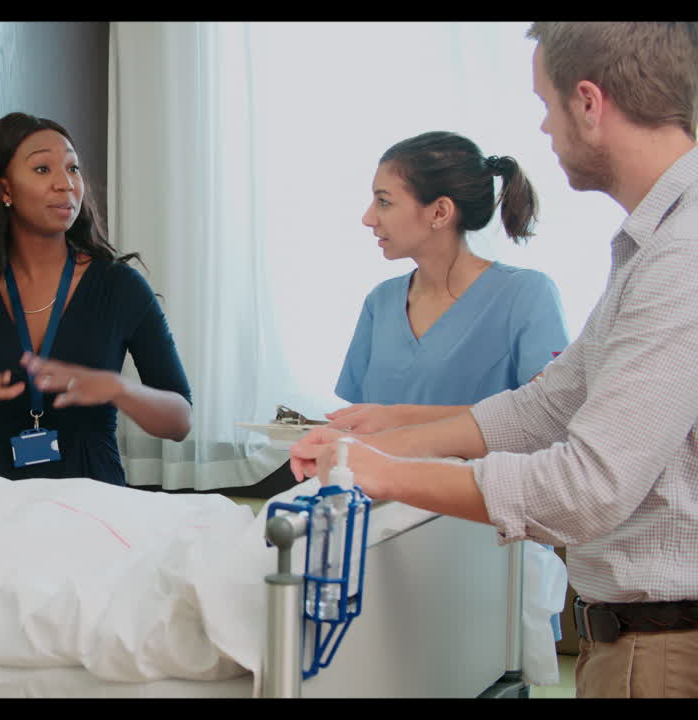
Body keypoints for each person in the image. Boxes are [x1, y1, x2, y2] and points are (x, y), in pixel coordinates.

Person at [290, 22, 698, 698]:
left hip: (662, 648)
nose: (542, 128)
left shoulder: (681, 255)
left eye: (546, 104)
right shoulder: (650, 248)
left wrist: (387, 473)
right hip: (633, 637)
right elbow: (546, 404)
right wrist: (380, 438)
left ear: (590, 104)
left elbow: (587, 486)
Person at [0, 112, 192, 487]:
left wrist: (118, 388)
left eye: (73, 168)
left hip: (95, 502)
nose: (66, 184)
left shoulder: (120, 287)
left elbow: (180, 422)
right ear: (4, 190)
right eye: (43, 169)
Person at [328, 131, 569, 435]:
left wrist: (402, 419)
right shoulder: (381, 302)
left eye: (384, 202)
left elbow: (547, 417)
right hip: (376, 480)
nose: (368, 218)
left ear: (440, 212)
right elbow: (362, 420)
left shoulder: (526, 295)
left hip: (475, 481)